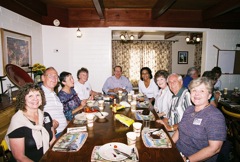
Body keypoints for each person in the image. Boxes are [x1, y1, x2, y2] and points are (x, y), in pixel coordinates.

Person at [172, 77, 226, 162]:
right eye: (194, 90)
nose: (196, 94)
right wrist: (169, 144)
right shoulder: (189, 109)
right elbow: (179, 130)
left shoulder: (214, 116)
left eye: (202, 91)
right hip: (177, 153)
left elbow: (215, 148)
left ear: (209, 95)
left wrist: (187, 160)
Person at [5, 83, 56, 162]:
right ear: (23, 99)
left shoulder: (45, 116)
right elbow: (19, 157)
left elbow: (53, 140)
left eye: (37, 95)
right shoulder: (18, 122)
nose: (35, 99)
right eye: (30, 96)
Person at [41, 67, 68, 137]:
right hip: (55, 135)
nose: (54, 78)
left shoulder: (54, 94)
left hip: (65, 131)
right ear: (43, 78)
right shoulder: (39, 94)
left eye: (56, 76)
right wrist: (48, 124)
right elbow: (33, 117)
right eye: (50, 76)